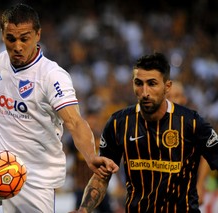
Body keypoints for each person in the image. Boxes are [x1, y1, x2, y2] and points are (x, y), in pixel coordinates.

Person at [0, 3, 118, 213]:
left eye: (24, 38)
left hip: (34, 178)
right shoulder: (2, 60)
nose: (17, 46)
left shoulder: (52, 76)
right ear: (2, 35)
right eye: (11, 39)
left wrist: (91, 157)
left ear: (38, 35)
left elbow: (74, 121)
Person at [72, 52, 218, 213]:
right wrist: (83, 210)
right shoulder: (118, 123)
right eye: (139, 83)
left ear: (167, 87)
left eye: (152, 83)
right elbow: (101, 176)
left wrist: (201, 185)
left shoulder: (192, 123)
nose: (145, 91)